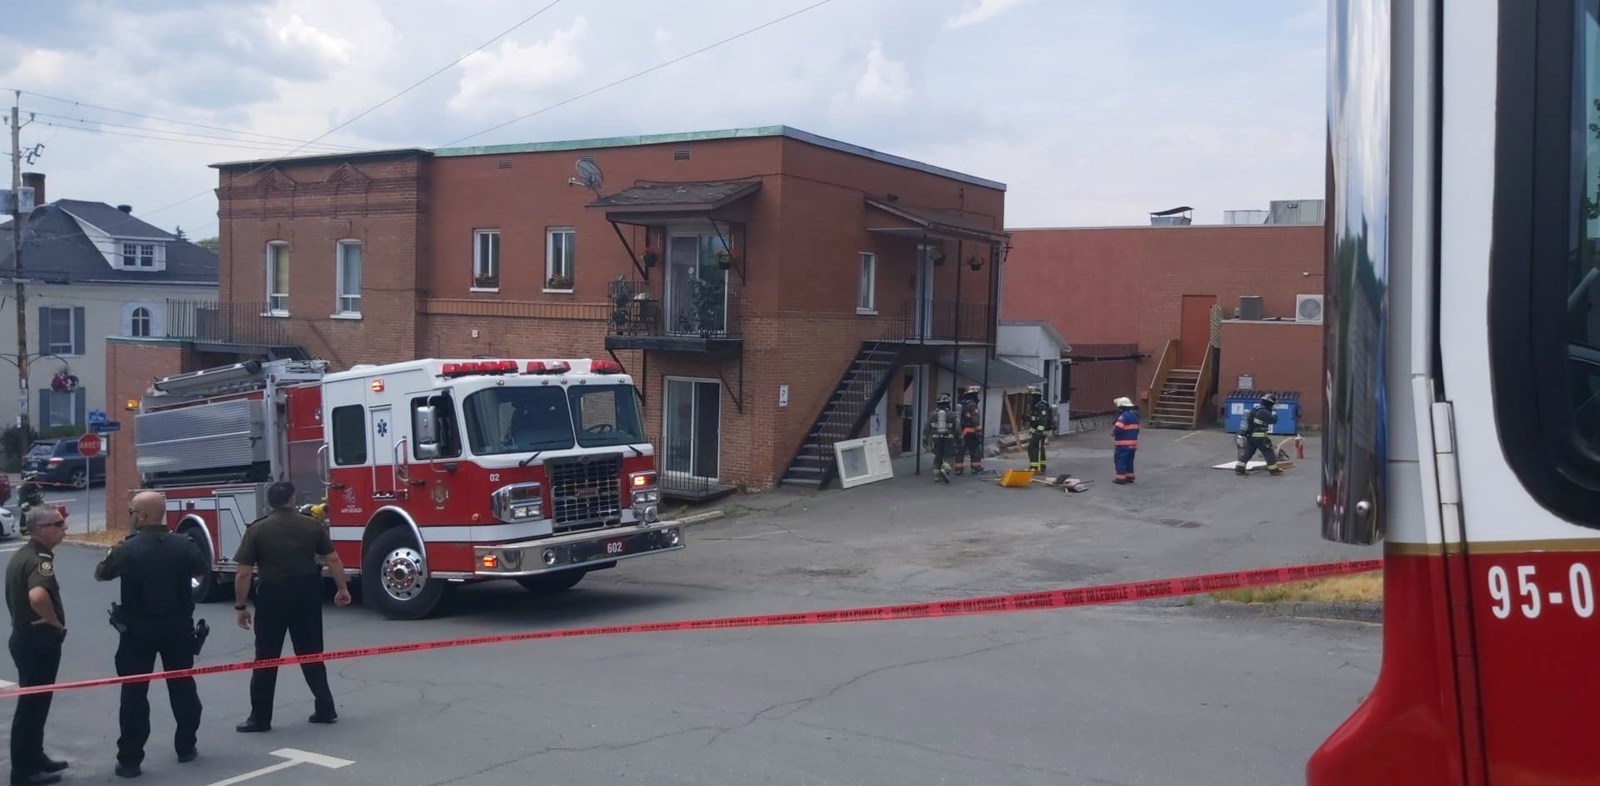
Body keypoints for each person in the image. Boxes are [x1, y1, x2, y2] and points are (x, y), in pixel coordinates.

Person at [94, 490, 210, 778]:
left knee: (134, 695)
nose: (131, 516)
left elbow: (102, 573)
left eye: (132, 512)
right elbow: (201, 570)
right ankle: (186, 746)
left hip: (138, 632)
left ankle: (130, 760)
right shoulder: (185, 544)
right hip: (177, 629)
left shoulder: (127, 548)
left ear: (142, 516)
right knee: (183, 688)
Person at [233, 481, 352, 733]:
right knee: (311, 653)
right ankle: (325, 707)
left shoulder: (257, 529)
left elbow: (243, 572)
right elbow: (332, 558)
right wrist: (342, 588)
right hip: (306, 594)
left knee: (266, 657)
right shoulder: (312, 525)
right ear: (292, 499)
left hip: (272, 597)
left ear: (270, 503)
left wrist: (241, 606)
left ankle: (260, 718)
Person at [6, 507, 70, 786]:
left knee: (37, 704)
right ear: (40, 529)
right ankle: (23, 771)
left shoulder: (24, 554)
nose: (64, 528)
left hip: (26, 639)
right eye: (58, 523)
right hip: (38, 642)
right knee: (31, 707)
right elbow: (37, 596)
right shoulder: (40, 560)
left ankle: (34, 756)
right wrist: (54, 622)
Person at [1235, 393, 1284, 476]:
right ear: (1270, 403)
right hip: (1260, 436)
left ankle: (1239, 469)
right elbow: (1272, 420)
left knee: (1248, 453)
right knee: (1268, 452)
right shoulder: (1264, 411)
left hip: (1250, 436)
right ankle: (1274, 470)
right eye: (1273, 404)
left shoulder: (1256, 409)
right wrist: (1274, 413)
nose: (1273, 406)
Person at [923, 393, 958, 483]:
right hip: (949, 439)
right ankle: (944, 470)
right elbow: (957, 428)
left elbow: (926, 428)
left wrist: (924, 439)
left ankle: (936, 477)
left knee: (937, 457)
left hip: (936, 439)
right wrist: (960, 440)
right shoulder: (952, 415)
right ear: (948, 403)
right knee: (949, 457)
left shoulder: (932, 414)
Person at [1025, 385, 1055, 474]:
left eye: (1031, 396)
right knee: (1039, 447)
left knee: (1032, 447)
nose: (1030, 398)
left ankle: (1035, 468)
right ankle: (1041, 467)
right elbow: (1036, 418)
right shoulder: (1036, 405)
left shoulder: (1041, 406)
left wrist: (1039, 431)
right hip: (1038, 430)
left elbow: (1043, 420)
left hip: (1040, 431)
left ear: (1036, 396)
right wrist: (1027, 419)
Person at [1111, 397, 1141, 484]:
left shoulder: (1123, 416)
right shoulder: (1134, 416)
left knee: (1120, 459)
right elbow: (1137, 430)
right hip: (1133, 443)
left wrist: (1113, 433)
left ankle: (1120, 478)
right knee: (1129, 460)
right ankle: (1130, 476)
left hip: (1122, 444)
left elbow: (1118, 428)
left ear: (1121, 407)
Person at [956, 385, 984, 476]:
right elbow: (975, 419)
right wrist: (978, 429)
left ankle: (958, 469)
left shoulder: (963, 404)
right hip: (971, 432)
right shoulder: (973, 405)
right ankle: (976, 468)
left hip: (962, 431)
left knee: (961, 450)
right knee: (975, 450)